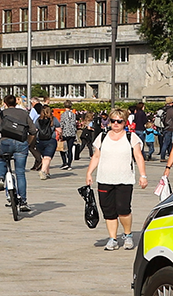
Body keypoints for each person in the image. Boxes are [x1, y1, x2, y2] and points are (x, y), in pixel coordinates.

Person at [85, 111, 146, 251]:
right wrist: (89, 173)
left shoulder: (131, 137)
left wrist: (143, 176)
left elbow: (138, 156)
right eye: (113, 121)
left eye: (119, 121)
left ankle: (127, 234)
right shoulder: (103, 136)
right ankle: (112, 238)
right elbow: (96, 156)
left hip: (124, 179)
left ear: (125, 122)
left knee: (123, 209)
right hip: (105, 178)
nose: (116, 124)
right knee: (108, 211)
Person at [0, 95, 33, 211]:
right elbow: (33, 131)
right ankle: (23, 201)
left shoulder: (1, 114)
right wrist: (28, 143)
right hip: (21, 144)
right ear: (16, 102)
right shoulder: (24, 113)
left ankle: (1, 178)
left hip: (6, 143)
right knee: (20, 173)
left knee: (2, 160)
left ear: (4, 103)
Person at [59, 104, 79, 170]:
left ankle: (64, 162)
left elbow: (62, 124)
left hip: (65, 133)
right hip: (72, 133)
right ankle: (69, 164)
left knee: (62, 149)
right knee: (70, 149)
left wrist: (60, 133)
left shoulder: (63, 114)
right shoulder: (73, 114)